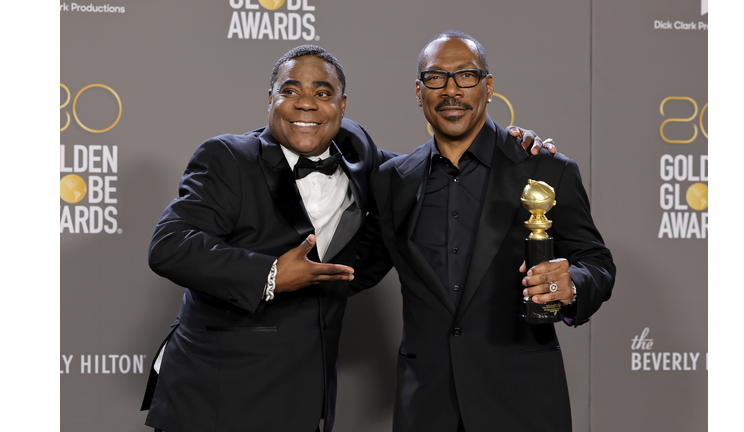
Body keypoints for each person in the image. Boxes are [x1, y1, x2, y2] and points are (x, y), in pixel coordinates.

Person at [140, 44, 554, 432]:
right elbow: (170, 245)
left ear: (341, 106)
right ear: (270, 99)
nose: (306, 103)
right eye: (290, 90)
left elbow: (437, 166)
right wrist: (269, 274)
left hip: (303, 401)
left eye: (323, 92)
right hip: (212, 398)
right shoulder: (228, 157)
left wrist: (512, 144)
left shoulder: (360, 154)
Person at [357, 31, 616, 431]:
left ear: (488, 86)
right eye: (436, 78)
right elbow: (356, 268)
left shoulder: (545, 168)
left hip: (522, 403)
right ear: (418, 90)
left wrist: (574, 285)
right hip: (426, 406)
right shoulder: (392, 180)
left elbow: (597, 263)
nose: (451, 91)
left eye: (466, 76)